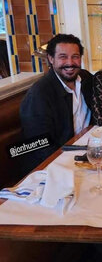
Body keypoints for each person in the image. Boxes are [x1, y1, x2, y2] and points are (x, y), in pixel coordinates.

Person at [20, 33, 93, 169]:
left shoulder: (86, 79)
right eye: (63, 57)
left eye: (75, 57)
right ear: (51, 59)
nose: (70, 63)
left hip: (87, 151)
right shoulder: (39, 95)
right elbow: (39, 145)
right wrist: (73, 164)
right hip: (57, 164)